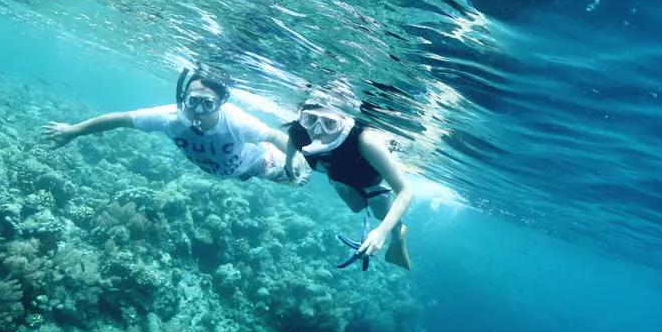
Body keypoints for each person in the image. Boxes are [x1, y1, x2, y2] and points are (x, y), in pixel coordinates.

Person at [43, 68, 306, 184]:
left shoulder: (235, 120)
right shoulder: (168, 117)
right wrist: (73, 131)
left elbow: (272, 134)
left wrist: (293, 160)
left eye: (208, 104)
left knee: (297, 177)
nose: (198, 111)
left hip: (255, 164)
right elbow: (120, 119)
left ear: (220, 105)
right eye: (193, 102)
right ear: (183, 99)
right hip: (223, 170)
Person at [285, 96, 412, 269]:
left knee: (381, 215)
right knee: (356, 208)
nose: (317, 131)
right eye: (311, 119)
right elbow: (294, 139)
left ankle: (398, 233)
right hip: (340, 177)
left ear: (343, 123)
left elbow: (406, 192)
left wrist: (382, 232)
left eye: (330, 123)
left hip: (372, 181)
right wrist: (289, 160)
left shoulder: (367, 141)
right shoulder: (301, 130)